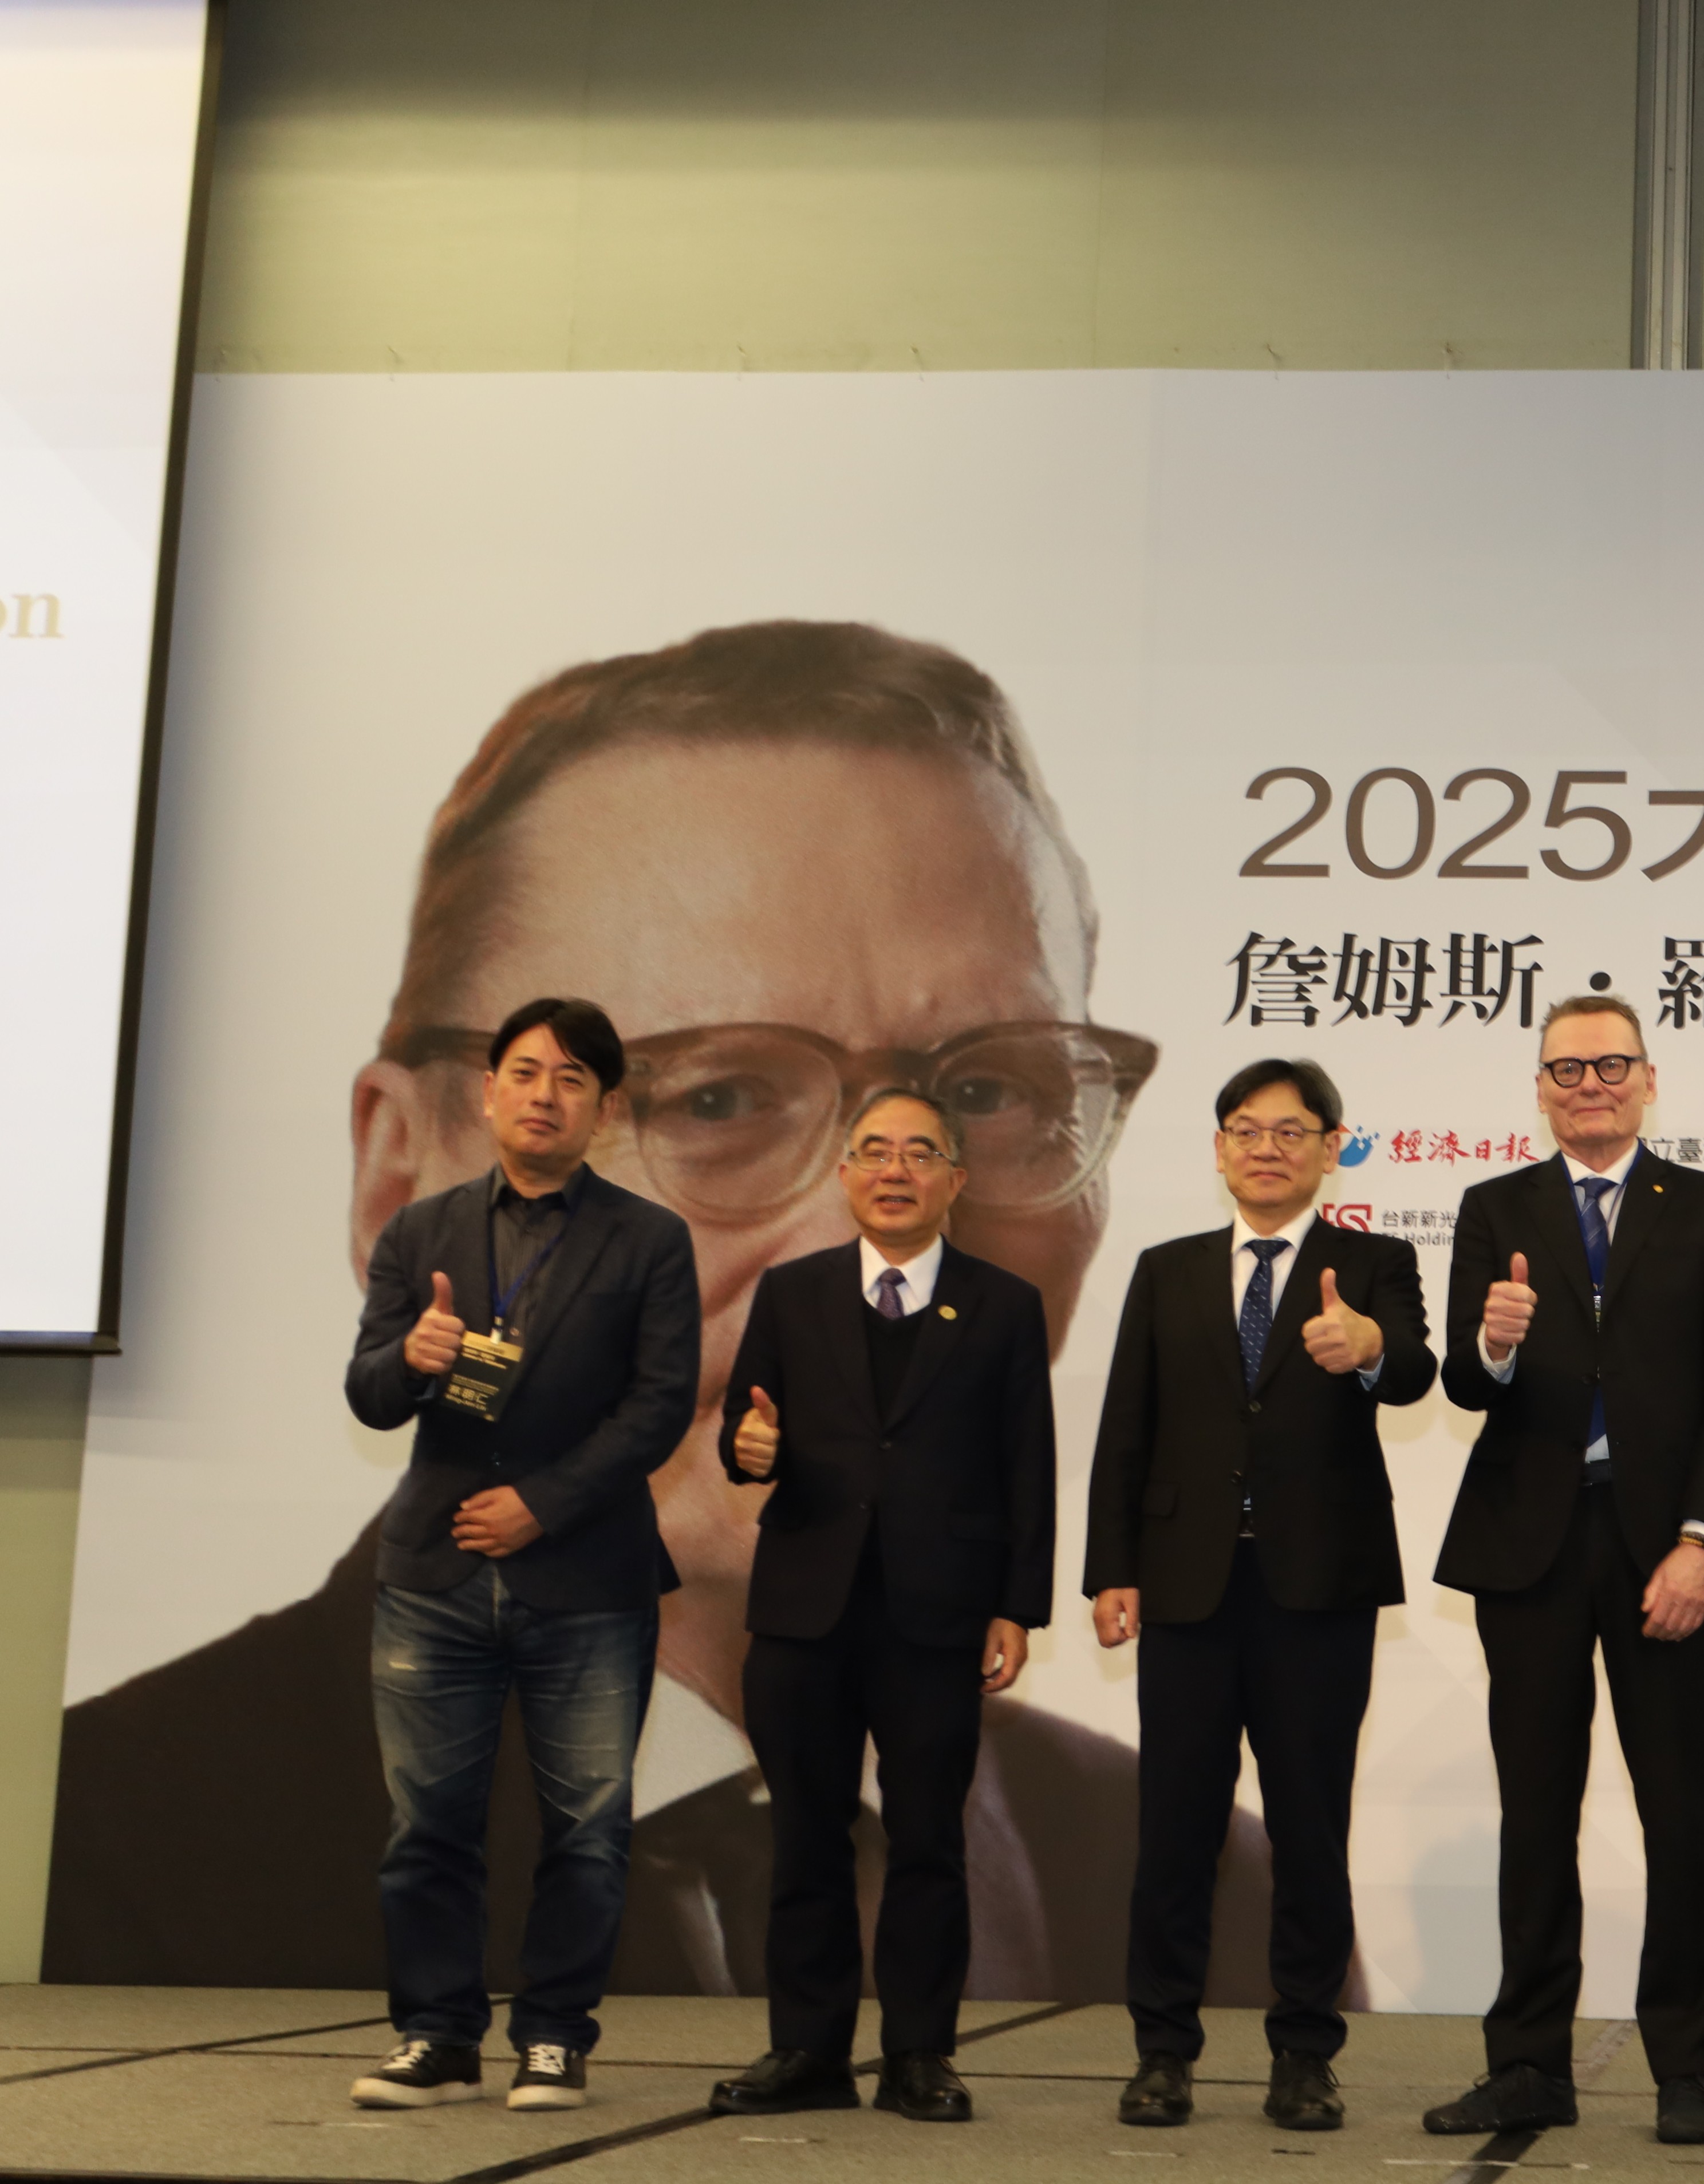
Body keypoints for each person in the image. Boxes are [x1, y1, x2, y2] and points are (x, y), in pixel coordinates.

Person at [47, 622, 1286, 2011]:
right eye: (715, 1099)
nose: (879, 1233)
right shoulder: (78, 1875)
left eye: (988, 1095)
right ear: (406, 1178)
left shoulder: (1205, 1896)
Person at [340, 997, 700, 2111]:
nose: (546, 1094)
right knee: (427, 1829)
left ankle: (555, 2037)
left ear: (604, 1109)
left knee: (587, 1828)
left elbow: (658, 1408)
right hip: (435, 1576)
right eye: (528, 1072)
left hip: (588, 1578)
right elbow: (368, 1396)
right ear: (490, 1090)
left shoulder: (649, 1239)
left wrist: (541, 1506)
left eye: (573, 1079)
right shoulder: (422, 1233)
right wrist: (412, 1353)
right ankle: (437, 2035)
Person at [1421, 995, 1704, 2147]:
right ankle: (1526, 2065)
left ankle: (1684, 2068)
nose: (1588, 1083)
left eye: (1609, 1063)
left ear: (1646, 1076)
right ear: (1542, 1086)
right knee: (1537, 1811)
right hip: (1531, 1543)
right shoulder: (1496, 1208)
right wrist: (1495, 1341)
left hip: (1668, 1547)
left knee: (1682, 1813)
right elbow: (1468, 1391)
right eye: (1565, 1067)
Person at [1083, 1059, 1437, 2134]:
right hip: (1188, 1590)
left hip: (1316, 1591)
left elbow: (1418, 1370)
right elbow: (1125, 1430)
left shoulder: (1373, 1262)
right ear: (1220, 1148)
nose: (1266, 1149)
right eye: (1245, 1130)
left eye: (1291, 1132)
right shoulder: (1168, 1269)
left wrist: (1371, 1350)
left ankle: (1304, 2055)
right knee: (1176, 1830)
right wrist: (1112, 1569)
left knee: (1310, 1829)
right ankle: (1163, 2053)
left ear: (1332, 1148)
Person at [704, 1089, 1056, 2125]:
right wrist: (748, 1450)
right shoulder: (792, 1292)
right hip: (807, 1608)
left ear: (956, 1178)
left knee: (927, 1842)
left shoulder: (1002, 1304)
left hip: (936, 1613)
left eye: (919, 1153)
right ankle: (807, 2052)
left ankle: (919, 2056)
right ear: (846, 1173)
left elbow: (1026, 1465)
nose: (895, 1170)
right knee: (808, 1837)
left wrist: (1017, 1606)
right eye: (875, 1152)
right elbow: (744, 1426)